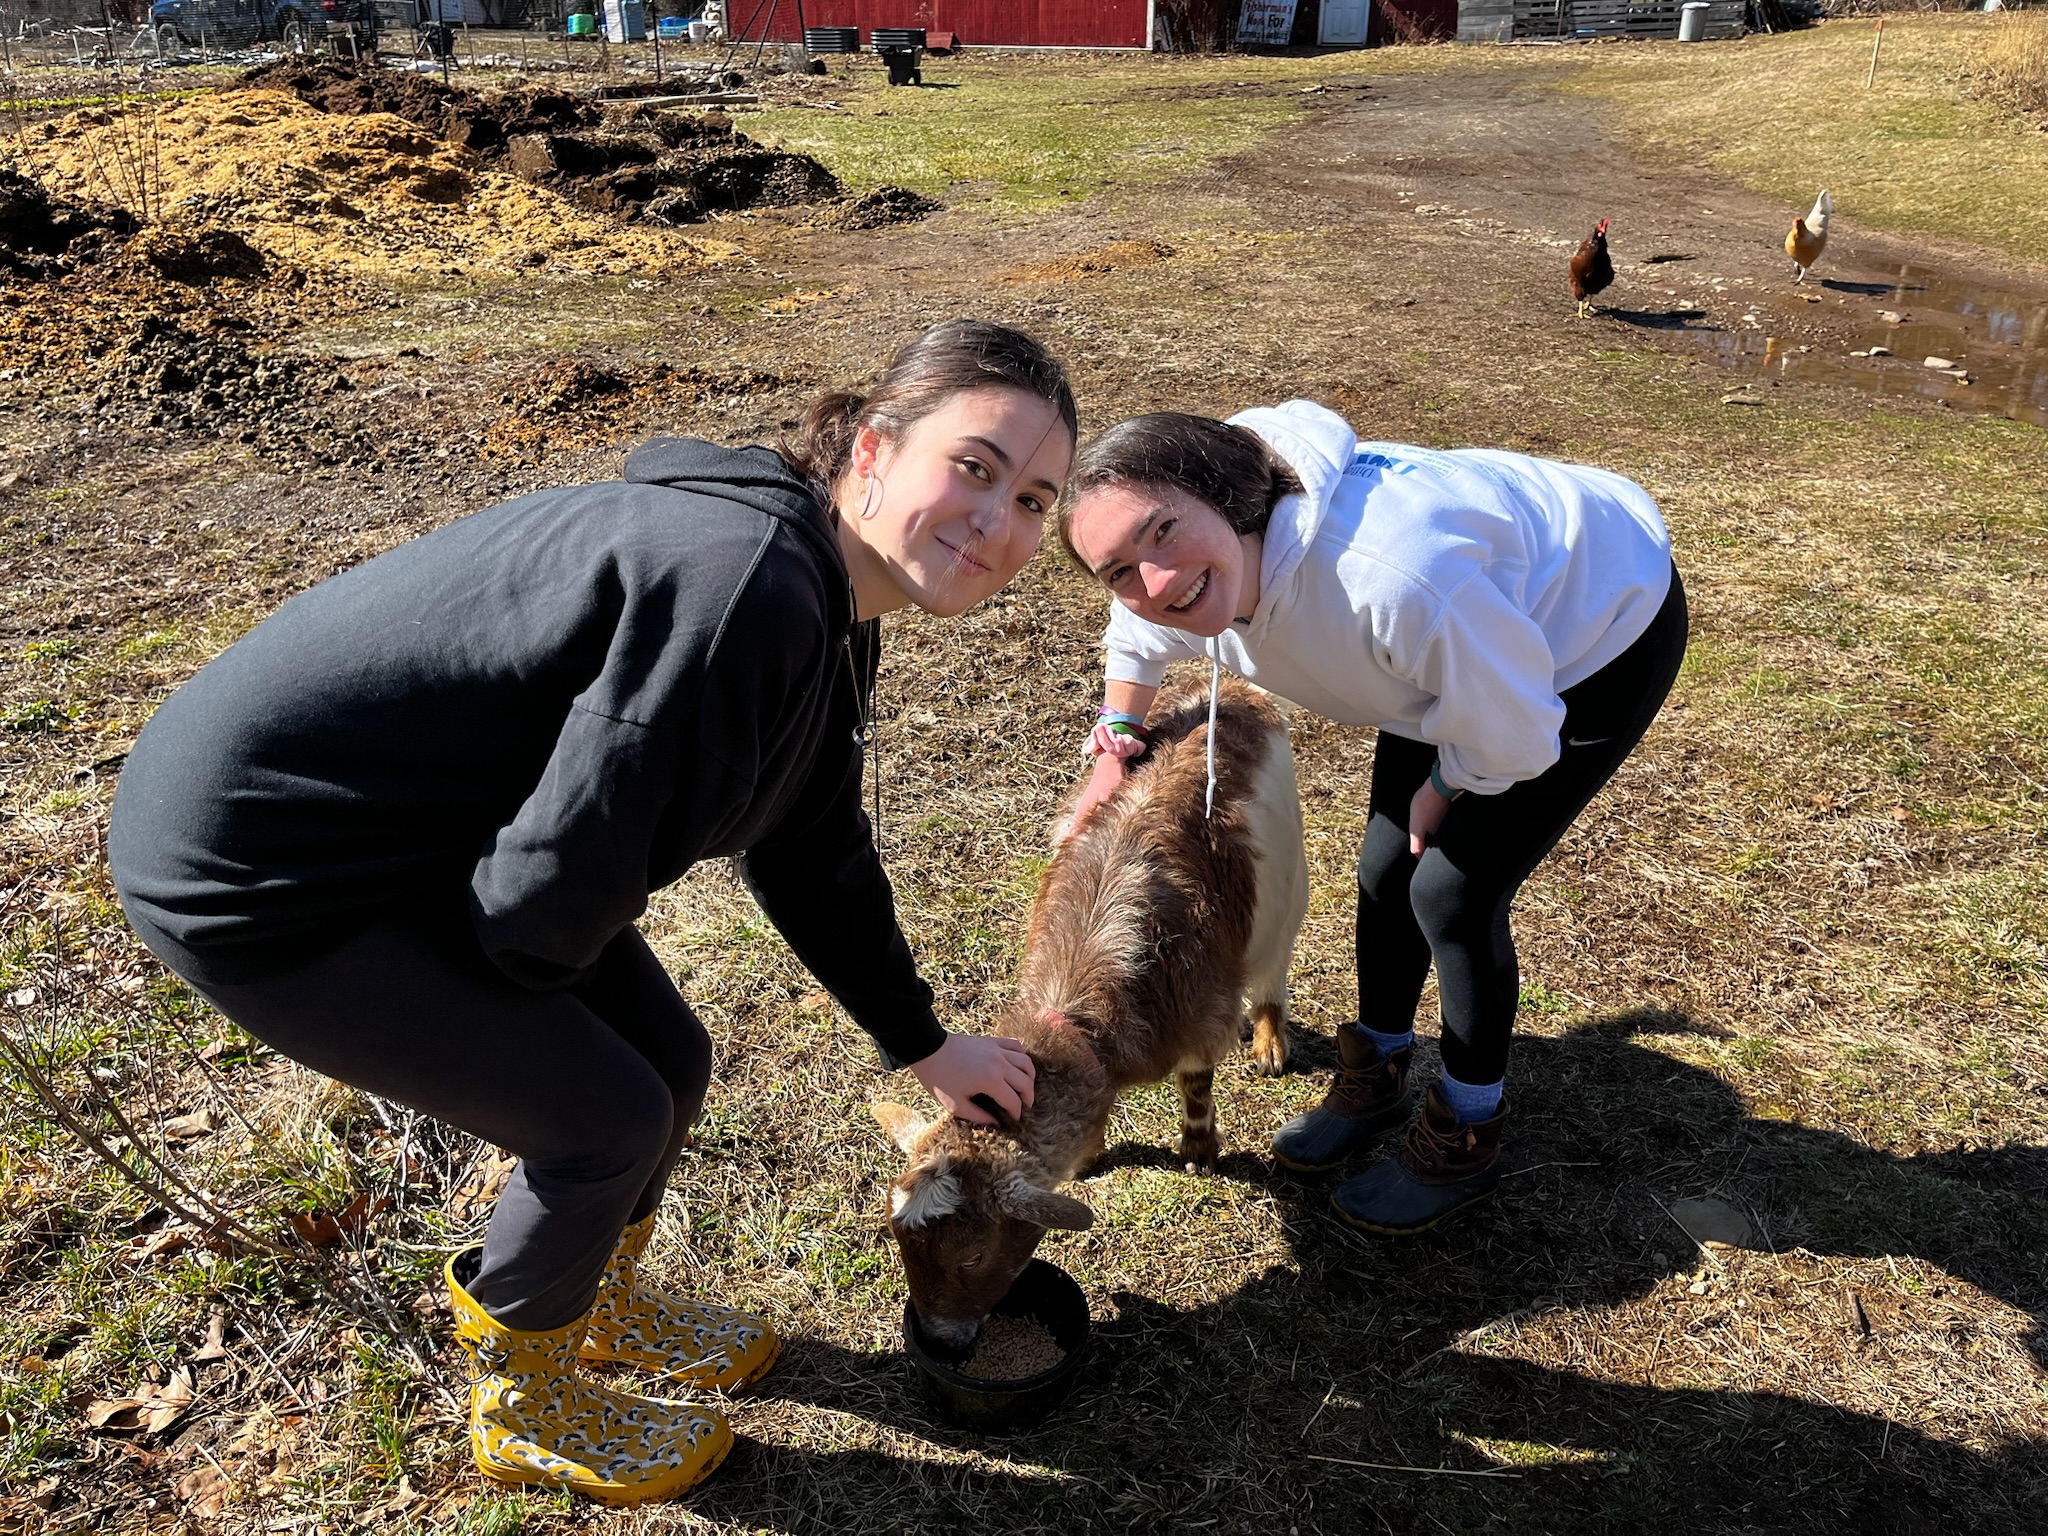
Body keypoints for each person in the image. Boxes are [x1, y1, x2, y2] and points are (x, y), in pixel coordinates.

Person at [107, 321, 1077, 1506]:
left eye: (1034, 499)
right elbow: (548, 891)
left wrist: (919, 1042)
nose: (999, 522)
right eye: (973, 467)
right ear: (871, 449)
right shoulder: (745, 593)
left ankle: (593, 1300)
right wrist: (546, 1047)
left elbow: (807, 837)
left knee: (670, 1055)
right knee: (605, 1114)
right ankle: (523, 1396)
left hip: (401, 836)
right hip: (256, 866)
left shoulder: (823, 590)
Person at [1056, 401, 1686, 1237]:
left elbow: (1518, 731)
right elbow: (1135, 634)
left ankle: (1467, 1123)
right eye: (1120, 568)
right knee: (1386, 872)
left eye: (1165, 532)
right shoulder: (1195, 568)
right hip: (1462, 652)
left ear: (1226, 494)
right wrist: (1116, 745)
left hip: (1590, 635)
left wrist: (1445, 784)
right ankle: (1377, 1070)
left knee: (1452, 896)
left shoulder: (1389, 581)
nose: (1157, 583)